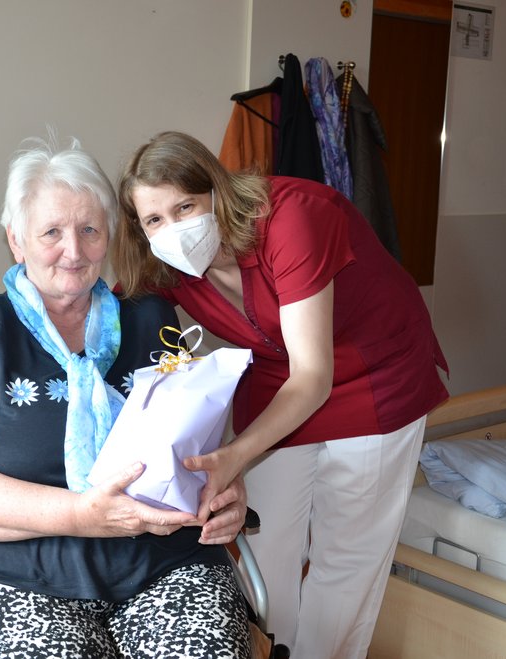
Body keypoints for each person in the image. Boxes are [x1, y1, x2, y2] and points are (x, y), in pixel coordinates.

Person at [0, 136, 252, 659]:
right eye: (51, 232)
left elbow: (195, 440)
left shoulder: (149, 316)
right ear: (16, 241)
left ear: (108, 236)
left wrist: (227, 487)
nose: (73, 250)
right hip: (19, 576)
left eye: (90, 230)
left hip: (164, 560)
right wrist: (81, 516)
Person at [111, 131, 449, 658]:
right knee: (262, 549)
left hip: (374, 374)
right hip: (277, 378)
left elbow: (313, 376)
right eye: (154, 219)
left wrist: (234, 455)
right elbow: (98, 318)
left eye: (185, 207)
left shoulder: (292, 218)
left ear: (218, 193)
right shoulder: (164, 267)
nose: (172, 229)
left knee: (345, 559)